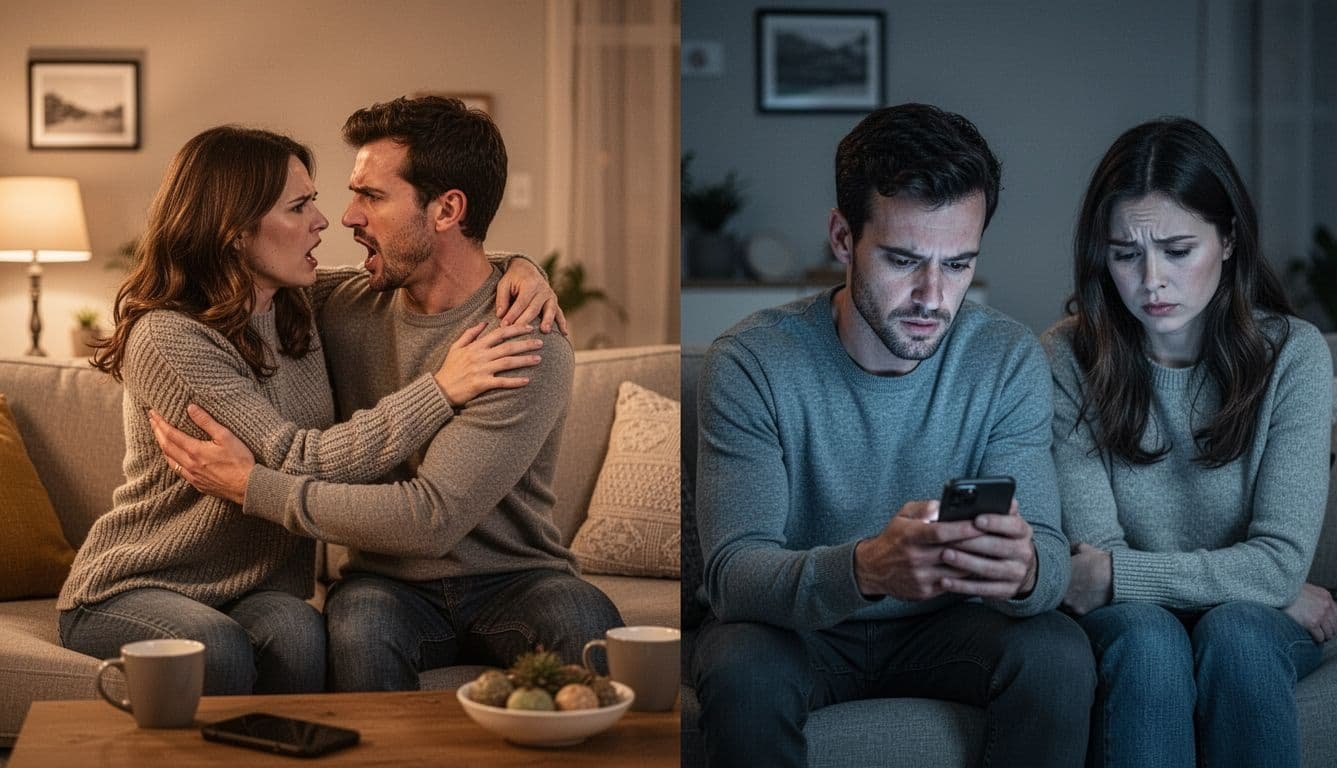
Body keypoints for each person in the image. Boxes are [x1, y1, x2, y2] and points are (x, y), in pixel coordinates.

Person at [58, 126, 560, 695]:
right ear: (234, 232)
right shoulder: (170, 337)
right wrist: (442, 388)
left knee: (301, 635)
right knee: (213, 648)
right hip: (142, 583)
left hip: (254, 589)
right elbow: (295, 457)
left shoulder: (300, 301)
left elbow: (443, 261)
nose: (328, 220)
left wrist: (521, 267)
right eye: (300, 206)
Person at [150, 96, 625, 691]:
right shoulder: (336, 304)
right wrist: (520, 262)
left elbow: (430, 519)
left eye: (371, 196)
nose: (345, 217)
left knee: (591, 624)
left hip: (518, 578)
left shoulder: (522, 340)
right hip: (385, 584)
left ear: (448, 210)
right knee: (357, 633)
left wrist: (254, 487)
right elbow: (227, 273)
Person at [692, 103, 1095, 768]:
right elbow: (734, 576)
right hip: (795, 634)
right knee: (742, 669)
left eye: (959, 264)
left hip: (950, 628)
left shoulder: (1007, 357)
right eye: (904, 260)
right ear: (843, 238)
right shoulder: (753, 361)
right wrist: (866, 569)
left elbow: (1049, 559)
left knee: (1057, 653)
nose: (933, 296)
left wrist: (1023, 571)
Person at [1045, 116, 1337, 768]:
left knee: (1236, 631)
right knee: (1150, 641)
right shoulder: (1068, 355)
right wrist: (1261, 581)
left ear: (1229, 238)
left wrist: (1123, 576)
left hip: (1241, 622)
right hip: (1134, 622)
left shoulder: (1294, 354)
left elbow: (1106, 572)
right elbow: (1091, 559)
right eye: (1125, 254)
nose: (1151, 280)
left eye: (1178, 250)